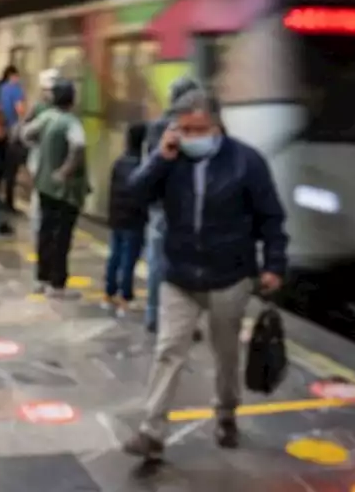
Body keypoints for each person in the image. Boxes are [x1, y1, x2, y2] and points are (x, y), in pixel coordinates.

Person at [123, 87, 287, 459]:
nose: (190, 137)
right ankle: (152, 430)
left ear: (216, 126)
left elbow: (271, 218)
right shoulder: (171, 159)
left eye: (198, 129)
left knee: (225, 353)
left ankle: (226, 412)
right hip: (179, 273)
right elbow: (132, 196)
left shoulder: (247, 162)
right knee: (168, 349)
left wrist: (274, 264)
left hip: (230, 276)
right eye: (183, 129)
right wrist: (159, 161)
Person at [142, 76, 202, 334]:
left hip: (159, 205)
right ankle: (187, 323)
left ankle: (154, 315)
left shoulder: (156, 127)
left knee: (158, 262)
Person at [23, 80, 90, 296]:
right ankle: (57, 284)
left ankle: (41, 278)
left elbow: (25, 134)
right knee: (62, 236)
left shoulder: (46, 118)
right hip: (66, 191)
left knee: (45, 232)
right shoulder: (71, 123)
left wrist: (39, 150)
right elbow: (78, 146)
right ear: (72, 99)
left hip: (44, 185)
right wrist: (65, 171)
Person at [104, 122, 149, 318]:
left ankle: (108, 294)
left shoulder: (119, 162)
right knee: (129, 259)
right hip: (134, 220)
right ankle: (125, 298)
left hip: (117, 218)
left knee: (115, 255)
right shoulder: (143, 165)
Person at [22, 68, 60, 244]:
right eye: (47, 90)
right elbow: (24, 129)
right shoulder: (37, 107)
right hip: (39, 155)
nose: (49, 93)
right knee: (39, 194)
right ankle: (39, 227)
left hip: (54, 157)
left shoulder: (61, 108)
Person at [0, 65, 26, 211]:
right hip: (12, 134)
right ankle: (9, 202)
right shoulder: (16, 89)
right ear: (13, 76)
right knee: (11, 170)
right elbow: (20, 110)